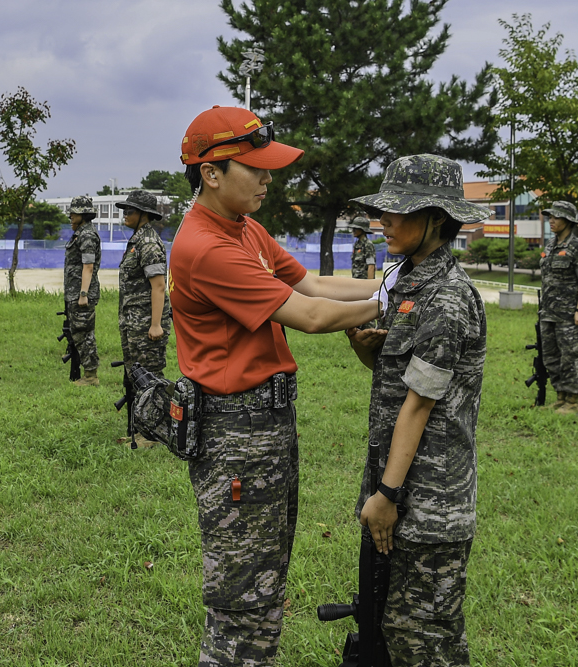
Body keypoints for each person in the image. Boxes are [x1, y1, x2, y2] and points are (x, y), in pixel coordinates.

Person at [170, 105, 381, 667]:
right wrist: (395, 303)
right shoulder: (206, 247)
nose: (268, 177)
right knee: (243, 604)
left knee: (263, 585)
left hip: (265, 428)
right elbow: (309, 315)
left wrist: (389, 281)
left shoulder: (244, 228)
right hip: (235, 436)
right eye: (255, 167)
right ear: (211, 172)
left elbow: (312, 282)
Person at [346, 153, 487, 667]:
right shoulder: (407, 280)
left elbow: (422, 404)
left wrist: (386, 494)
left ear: (437, 220)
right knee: (390, 631)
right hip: (400, 486)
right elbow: (400, 384)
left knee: (424, 640)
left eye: (399, 211)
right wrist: (368, 350)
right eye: (385, 210)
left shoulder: (447, 298)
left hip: (428, 502)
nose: (385, 220)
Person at [116, 190, 174, 440]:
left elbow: (159, 286)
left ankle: (153, 435)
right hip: (133, 324)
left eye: (129, 210)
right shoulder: (137, 241)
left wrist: (156, 324)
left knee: (150, 379)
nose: (125, 214)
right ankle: (140, 430)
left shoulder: (149, 243)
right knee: (135, 376)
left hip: (147, 326)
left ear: (143, 215)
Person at [539, 200, 578, 414]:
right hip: (549, 312)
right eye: (550, 216)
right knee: (551, 357)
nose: (551, 220)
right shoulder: (550, 245)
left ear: (568, 221)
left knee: (570, 357)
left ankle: (573, 402)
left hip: (569, 314)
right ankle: (560, 397)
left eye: (556, 217)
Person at [64, 195, 101, 386]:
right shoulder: (80, 233)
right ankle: (88, 374)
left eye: (74, 212)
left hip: (82, 295)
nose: (70, 216)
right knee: (78, 332)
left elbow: (88, 266)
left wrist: (83, 294)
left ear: (83, 214)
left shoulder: (86, 235)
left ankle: (91, 376)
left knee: (84, 333)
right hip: (75, 292)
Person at [349, 215, 376, 279]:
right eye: (353, 228)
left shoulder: (367, 244)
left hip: (364, 282)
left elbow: (371, 266)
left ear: (363, 229)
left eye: (356, 228)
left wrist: (369, 285)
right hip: (356, 281)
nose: (353, 230)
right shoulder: (357, 244)